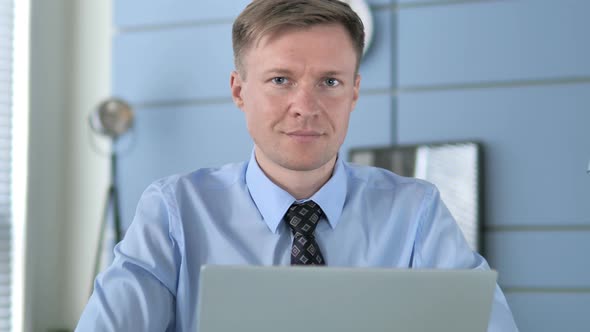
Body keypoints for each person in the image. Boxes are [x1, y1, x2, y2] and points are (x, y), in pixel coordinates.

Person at [76, 0, 519, 331]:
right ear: (239, 91)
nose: (305, 107)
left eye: (329, 82)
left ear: (354, 92)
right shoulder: (174, 212)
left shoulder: (416, 212)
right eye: (280, 80)